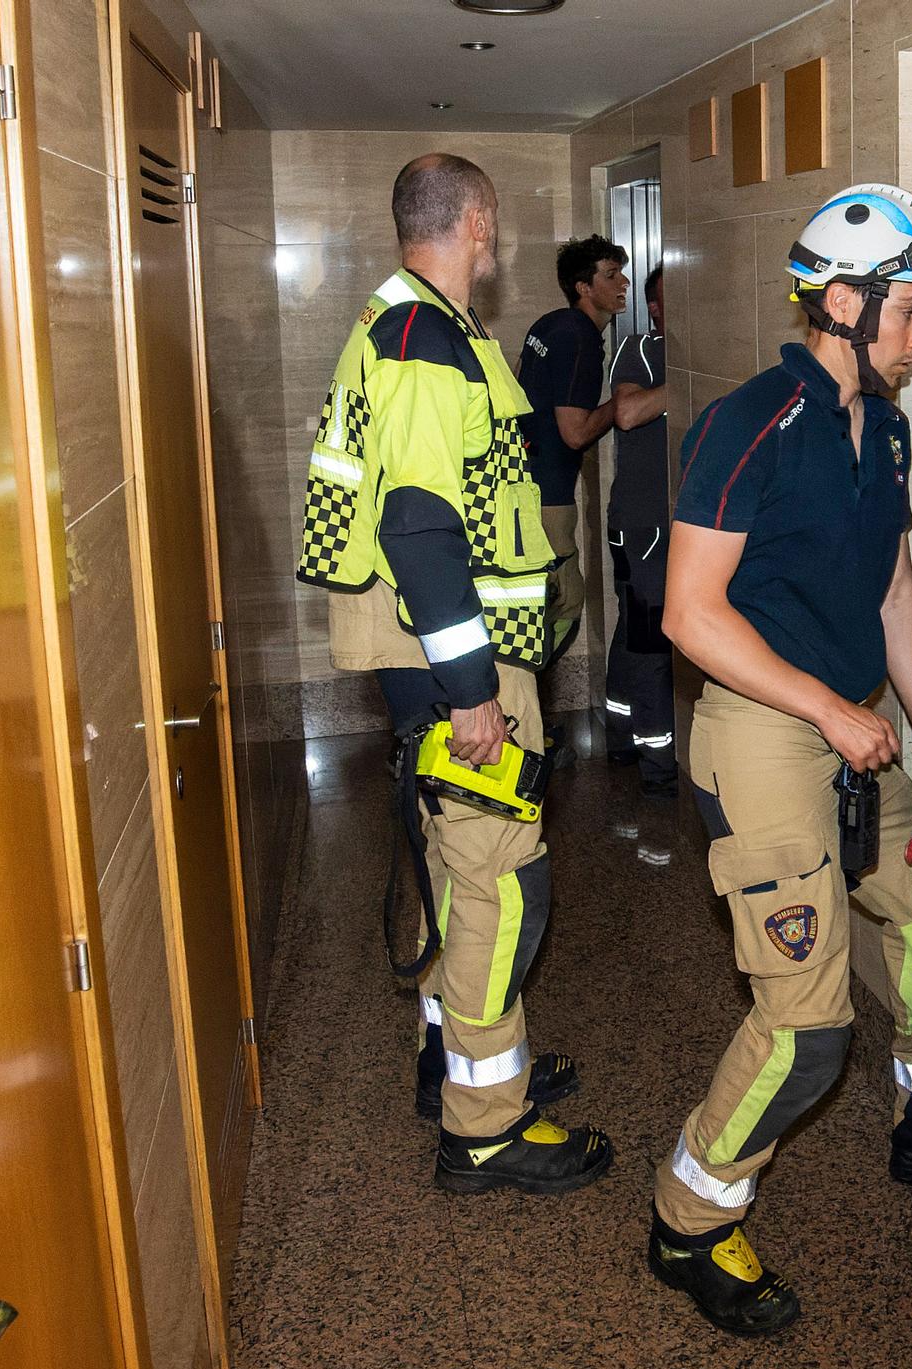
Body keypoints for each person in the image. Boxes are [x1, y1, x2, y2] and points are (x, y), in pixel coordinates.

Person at [645, 184, 912, 1337]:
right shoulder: (748, 423)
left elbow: (892, 592)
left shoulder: (882, 430)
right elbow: (689, 614)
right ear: (843, 304)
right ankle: (689, 1219)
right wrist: (831, 713)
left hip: (855, 731)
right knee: (806, 1030)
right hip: (762, 734)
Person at [297, 153, 609, 1194]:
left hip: (430, 657)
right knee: (499, 886)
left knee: (452, 872)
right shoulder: (424, 342)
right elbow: (420, 524)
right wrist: (474, 691)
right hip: (455, 666)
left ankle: (457, 1060)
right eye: (494, 222)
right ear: (477, 222)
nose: (496, 237)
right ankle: (485, 1124)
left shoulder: (408, 324)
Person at [518, 234, 631, 735]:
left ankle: (520, 714)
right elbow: (575, 431)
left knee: (536, 607)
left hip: (523, 488)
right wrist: (624, 405)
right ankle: (518, 713)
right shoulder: (580, 337)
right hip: (549, 499)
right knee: (563, 604)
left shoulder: (548, 324)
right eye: (611, 274)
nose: (623, 282)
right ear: (584, 287)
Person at [602, 265, 677, 794]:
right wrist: (684, 386)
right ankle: (659, 766)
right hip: (640, 528)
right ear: (654, 308)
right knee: (650, 641)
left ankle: (622, 735)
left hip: (664, 524)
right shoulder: (640, 350)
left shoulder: (691, 355)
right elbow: (626, 412)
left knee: (633, 630)